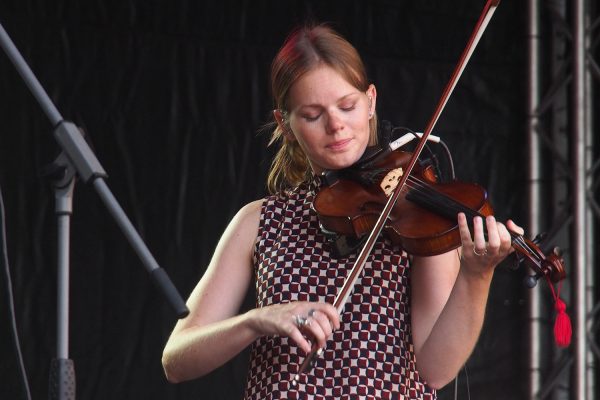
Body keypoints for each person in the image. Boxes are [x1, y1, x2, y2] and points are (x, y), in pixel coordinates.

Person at [161, 24, 522, 399]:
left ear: (370, 101)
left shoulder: (413, 213)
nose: (336, 125)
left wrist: (477, 277)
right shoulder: (258, 222)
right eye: (313, 115)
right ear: (286, 124)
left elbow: (436, 370)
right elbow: (177, 359)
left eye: (347, 106)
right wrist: (256, 321)